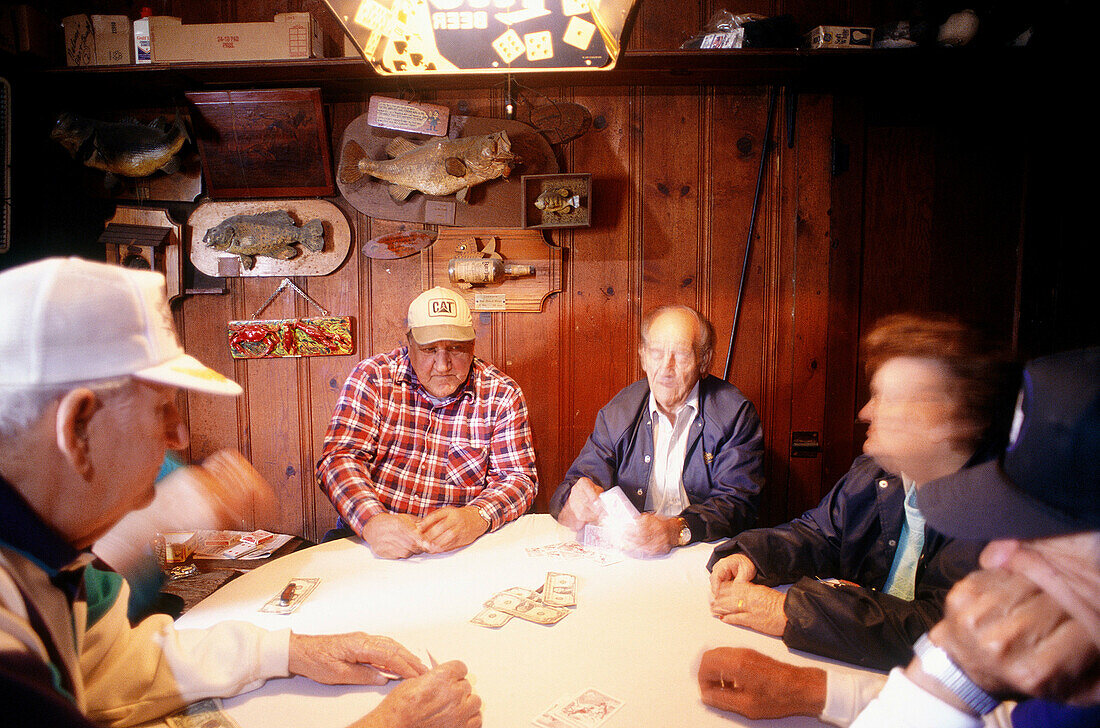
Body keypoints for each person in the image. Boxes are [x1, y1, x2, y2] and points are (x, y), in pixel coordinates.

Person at [0, 258, 480, 728]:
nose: (179, 437)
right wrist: (393, 724)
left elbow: (115, 669)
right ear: (77, 426)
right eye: (162, 409)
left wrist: (292, 651)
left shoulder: (59, 559)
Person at [707, 314, 1009, 669]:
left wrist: (789, 610)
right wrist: (752, 556)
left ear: (947, 418)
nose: (865, 412)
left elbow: (940, 631)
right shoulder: (875, 474)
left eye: (886, 398)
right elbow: (819, 535)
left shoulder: (1000, 513)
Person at [850, 346, 1100, 727]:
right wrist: (953, 679)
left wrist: (946, 676)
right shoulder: (1074, 701)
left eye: (1041, 532)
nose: (992, 557)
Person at [318, 286, 537, 560]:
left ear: (472, 346)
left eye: (456, 349)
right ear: (409, 345)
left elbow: (518, 479)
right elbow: (339, 459)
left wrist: (476, 516)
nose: (443, 364)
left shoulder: (501, 393)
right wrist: (373, 521)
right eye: (429, 349)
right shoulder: (372, 377)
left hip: (460, 549)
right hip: (369, 539)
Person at [549, 304, 764, 555]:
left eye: (681, 354)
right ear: (642, 356)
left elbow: (739, 504)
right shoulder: (619, 412)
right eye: (656, 353)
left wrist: (675, 530)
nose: (666, 368)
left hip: (702, 551)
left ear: (704, 360)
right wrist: (573, 501)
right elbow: (573, 485)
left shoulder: (734, 414)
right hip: (634, 553)